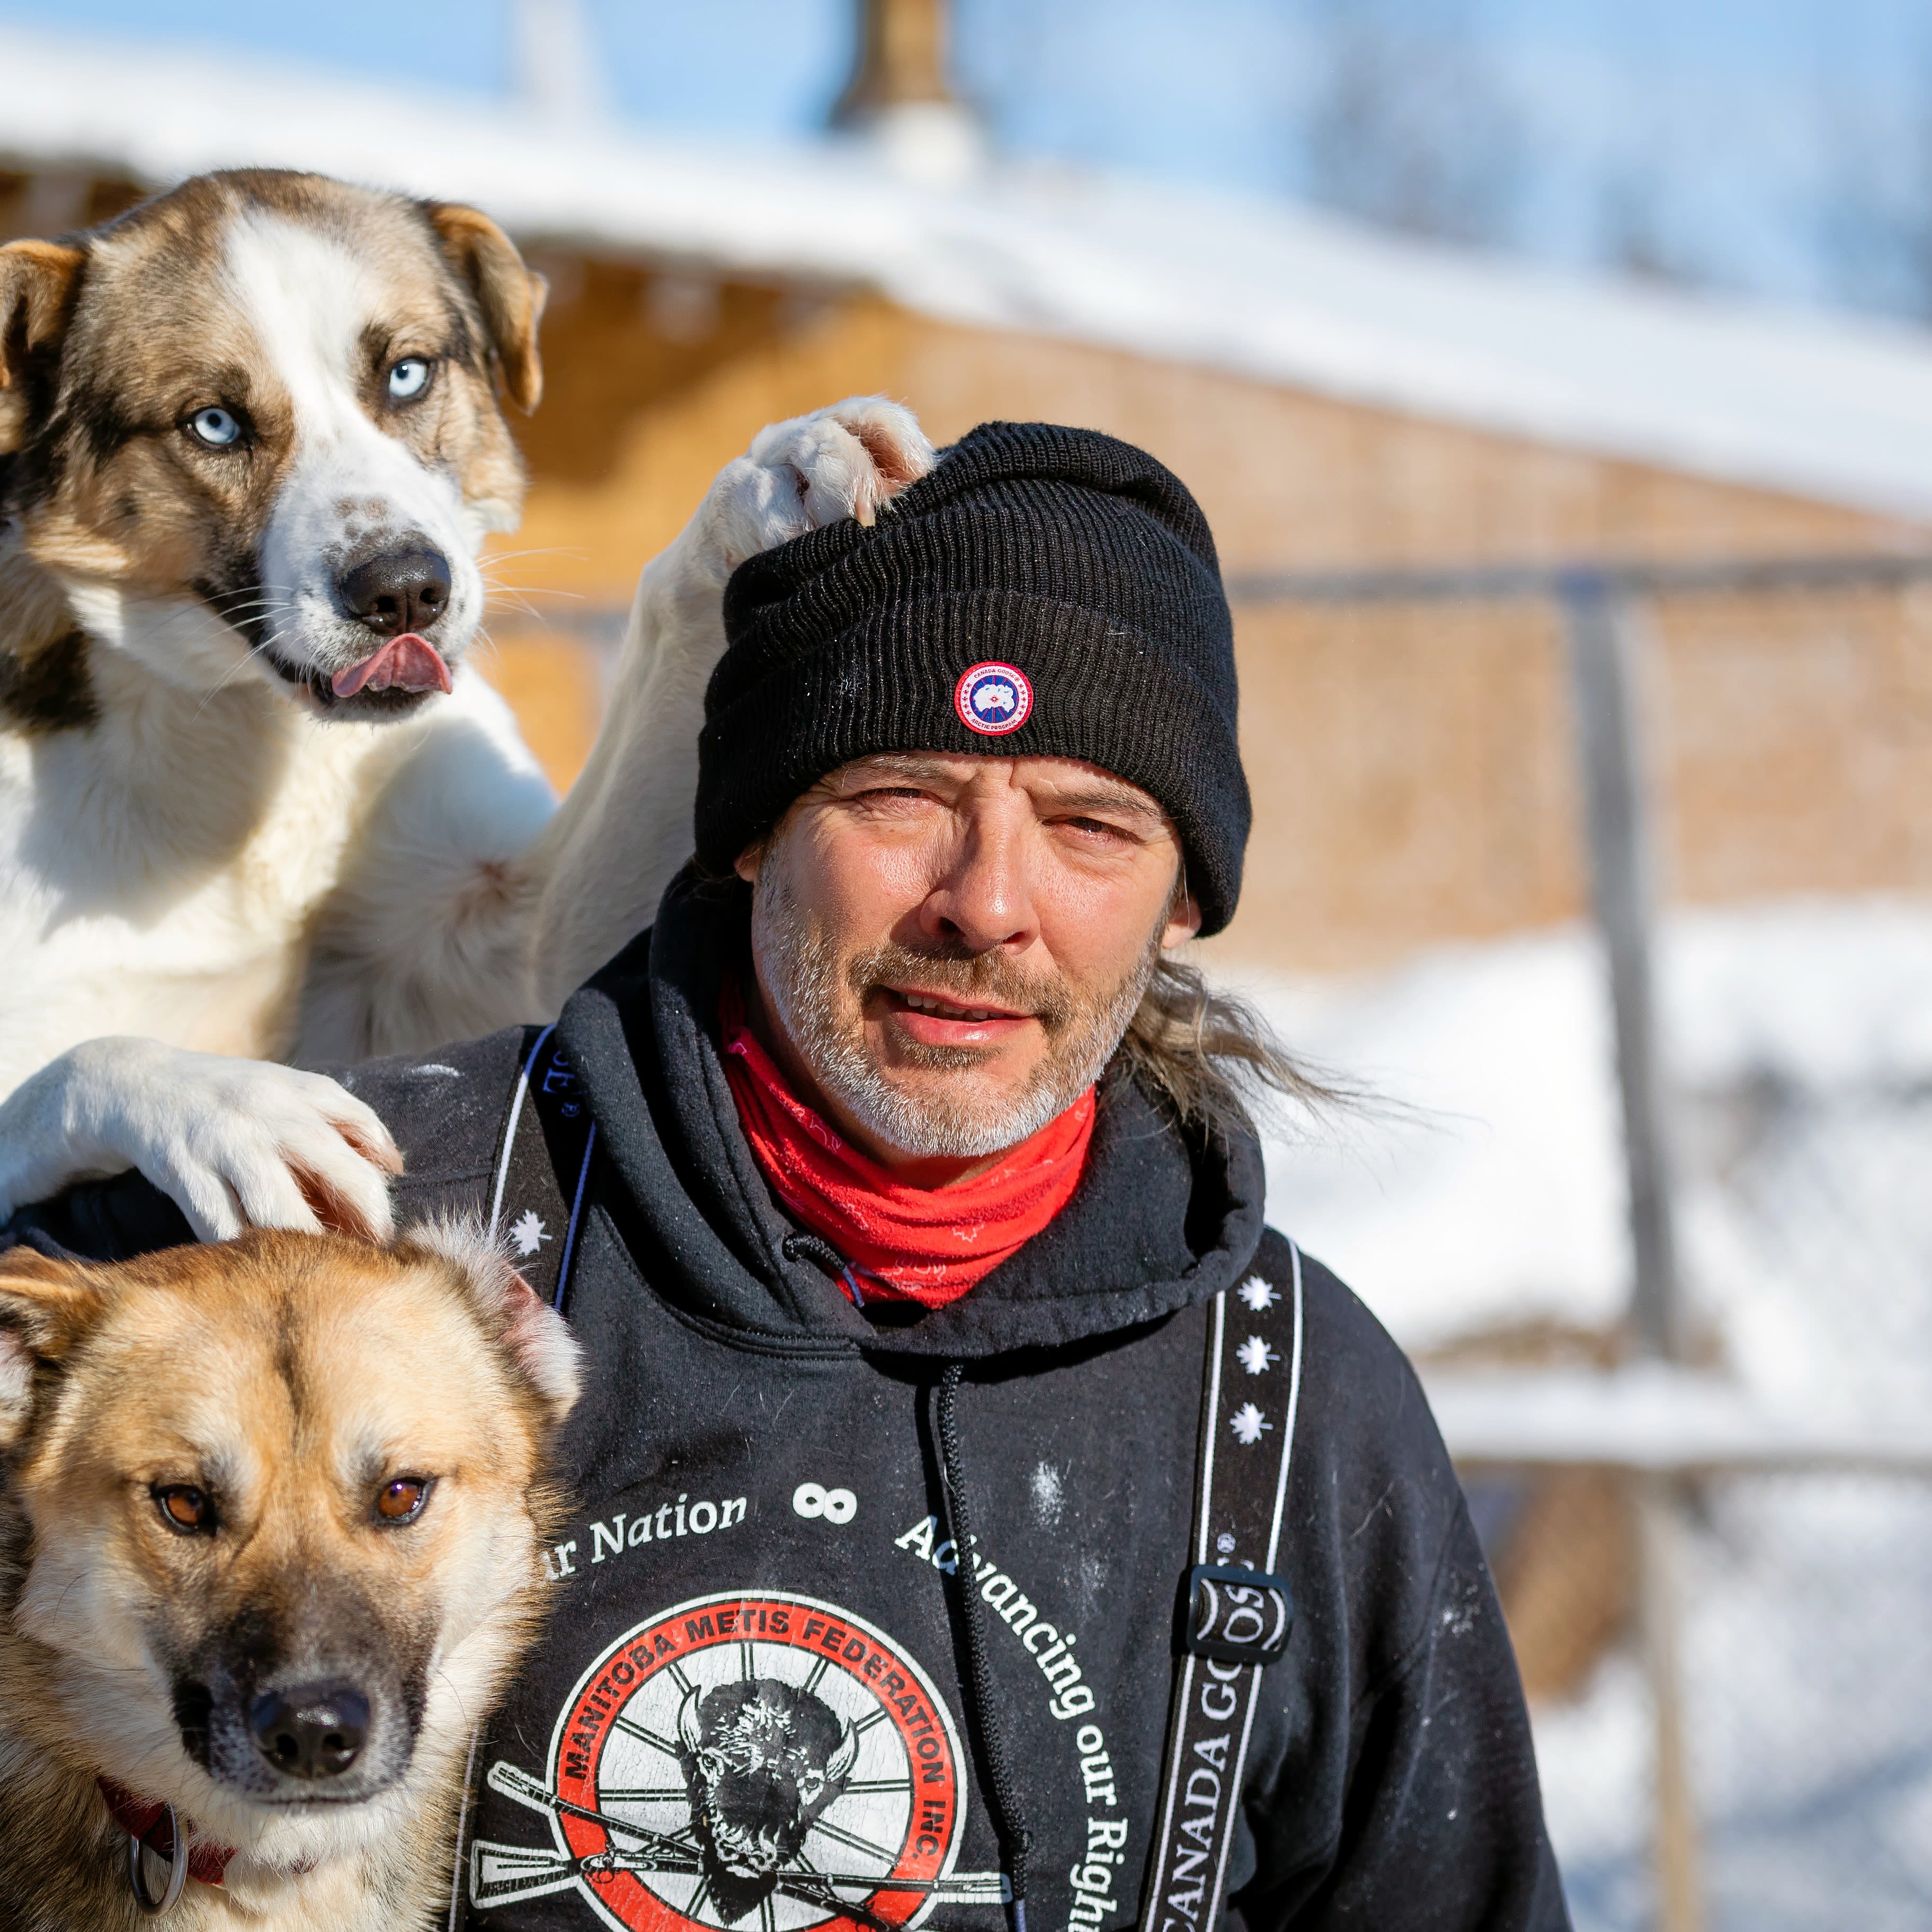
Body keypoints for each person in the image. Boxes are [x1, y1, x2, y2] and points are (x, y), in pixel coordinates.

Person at [9, 421, 1568, 1929]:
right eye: (901, 800)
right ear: (751, 835)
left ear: (1182, 906)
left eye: (1092, 827)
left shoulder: (1287, 1400)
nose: (987, 904)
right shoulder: (352, 1220)